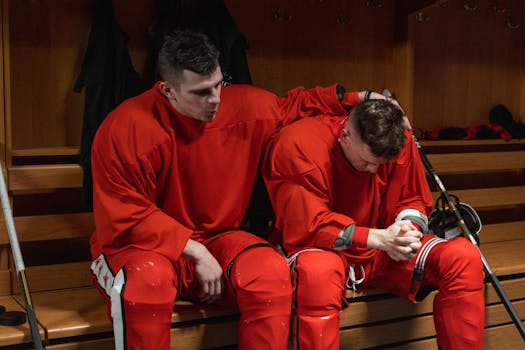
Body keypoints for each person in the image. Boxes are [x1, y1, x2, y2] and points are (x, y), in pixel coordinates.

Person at [88, 29, 380, 350]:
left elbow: (292, 107)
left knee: (269, 272)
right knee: (147, 283)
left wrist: (358, 99)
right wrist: (194, 250)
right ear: (167, 89)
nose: (215, 99)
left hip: (217, 237)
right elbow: (125, 213)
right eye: (201, 92)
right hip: (138, 247)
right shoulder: (125, 127)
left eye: (218, 84)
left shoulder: (241, 106)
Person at [262, 99, 485, 350]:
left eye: (380, 165)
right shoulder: (299, 142)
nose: (372, 170)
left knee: (463, 257)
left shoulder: (398, 139)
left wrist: (406, 231)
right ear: (345, 134)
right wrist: (379, 238)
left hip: (382, 251)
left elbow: (412, 198)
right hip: (324, 250)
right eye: (366, 161)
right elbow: (306, 225)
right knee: (317, 273)